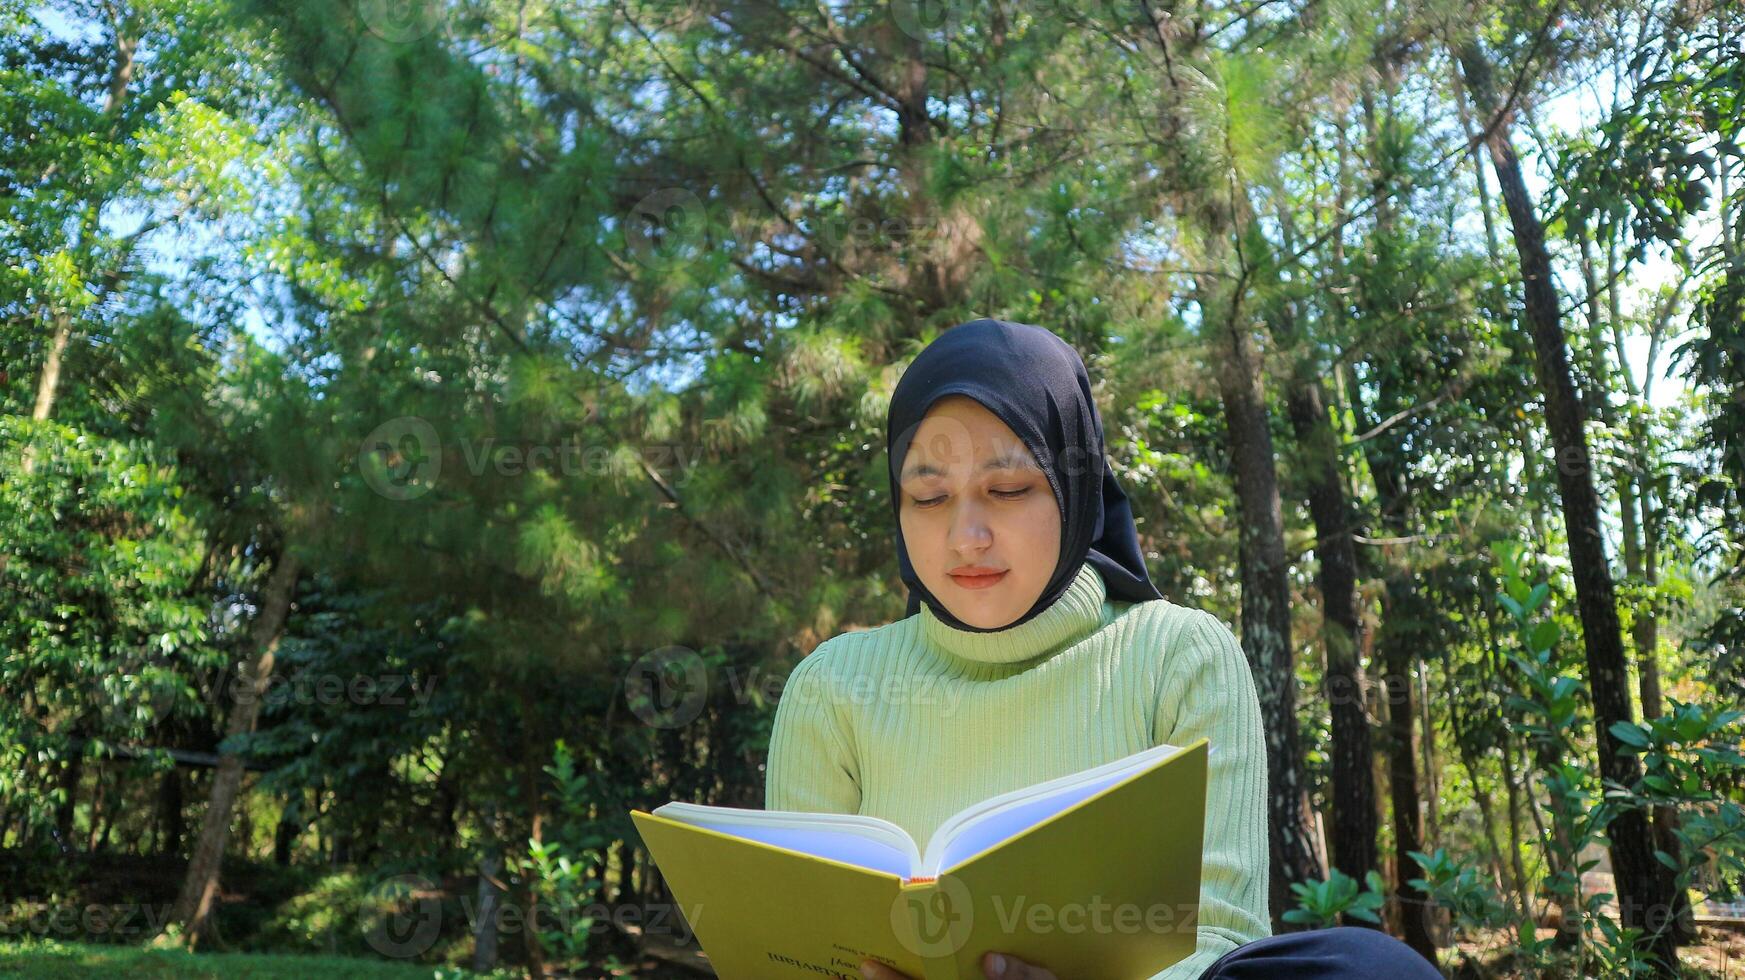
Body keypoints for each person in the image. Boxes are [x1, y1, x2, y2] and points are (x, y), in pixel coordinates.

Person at [764, 318, 1442, 980]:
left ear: (1074, 489)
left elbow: (1219, 939)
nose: (964, 536)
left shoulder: (1179, 657)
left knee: (1369, 968)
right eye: (928, 496)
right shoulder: (832, 687)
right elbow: (792, 949)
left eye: (1007, 489)